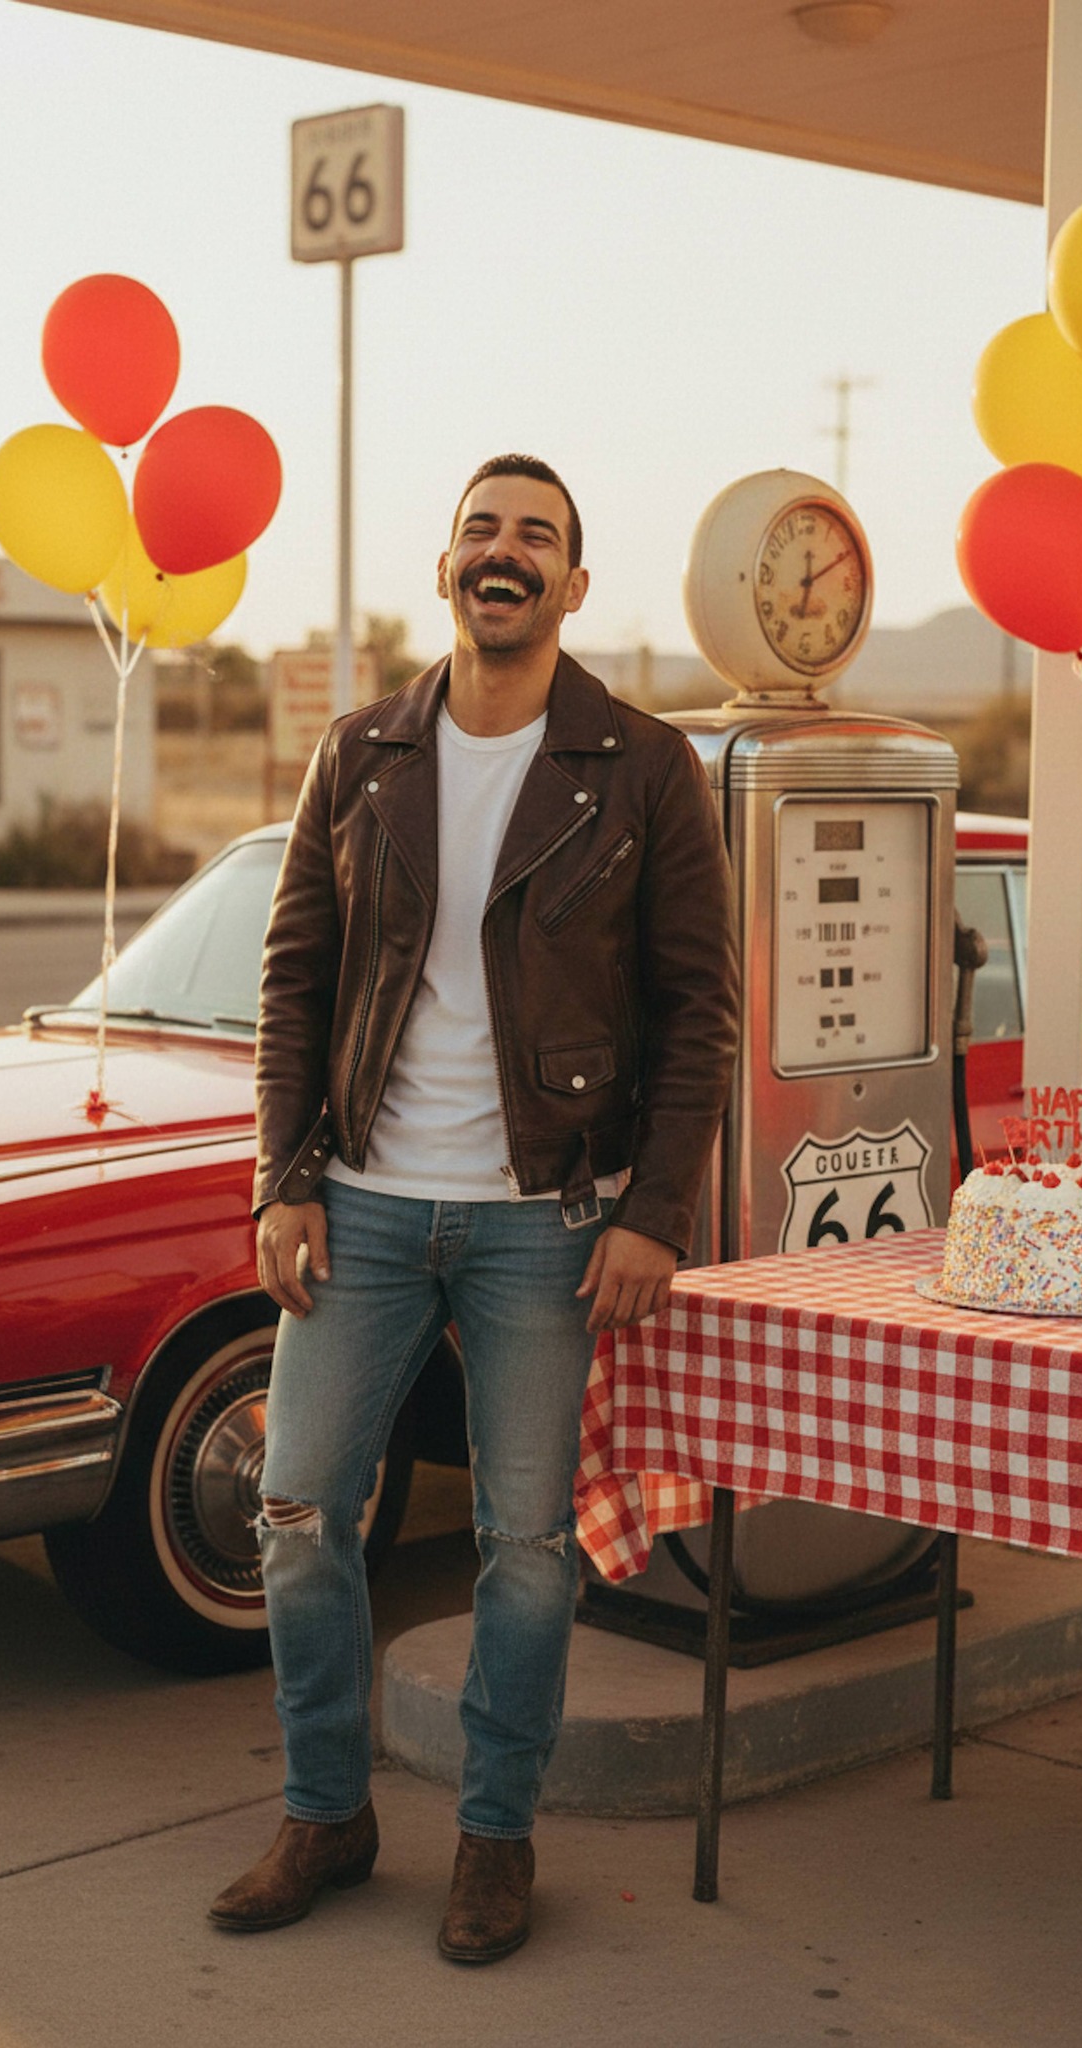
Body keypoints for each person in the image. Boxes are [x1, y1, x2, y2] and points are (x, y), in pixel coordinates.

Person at [210, 454, 740, 1963]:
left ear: (574, 588)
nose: (503, 557)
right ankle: (328, 1810)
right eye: (480, 531)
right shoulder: (360, 753)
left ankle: (495, 1840)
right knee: (298, 1514)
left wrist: (655, 1210)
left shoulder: (640, 767)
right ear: (446, 567)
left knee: (524, 1545)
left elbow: (700, 1005)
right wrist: (284, 1173)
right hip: (362, 1209)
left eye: (537, 540)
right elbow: (293, 979)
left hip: (548, 1221)